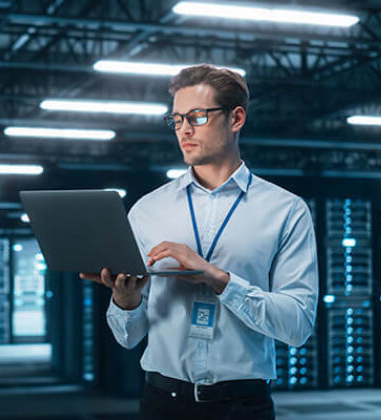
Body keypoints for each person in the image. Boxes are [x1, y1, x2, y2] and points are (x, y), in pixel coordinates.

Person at [80, 64, 318, 419]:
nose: (184, 130)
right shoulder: (147, 210)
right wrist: (126, 300)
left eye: (197, 117)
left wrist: (218, 278)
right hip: (162, 402)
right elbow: (128, 338)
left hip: (243, 407)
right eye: (176, 120)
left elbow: (297, 326)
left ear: (236, 118)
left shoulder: (286, 211)